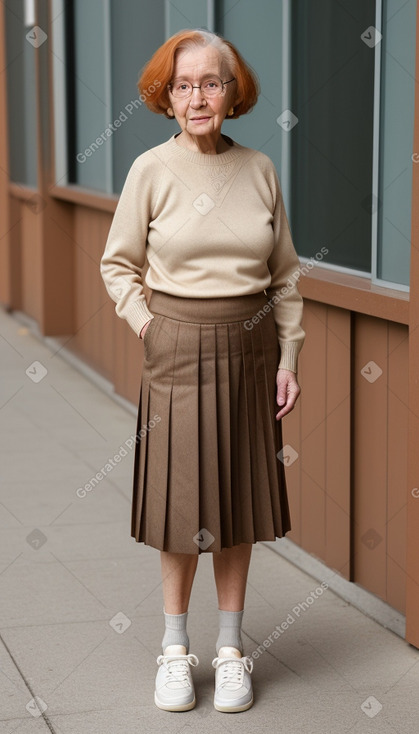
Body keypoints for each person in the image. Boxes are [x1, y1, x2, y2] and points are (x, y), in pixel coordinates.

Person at [100, 28, 305, 714]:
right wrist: (149, 325)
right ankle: (173, 651)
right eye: (183, 85)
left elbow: (285, 277)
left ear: (231, 91)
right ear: (165, 96)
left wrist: (288, 357)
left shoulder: (259, 169)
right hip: (176, 347)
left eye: (211, 82)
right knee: (180, 504)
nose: (197, 97)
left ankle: (229, 649)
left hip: (249, 352)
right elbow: (118, 265)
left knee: (238, 503)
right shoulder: (150, 171)